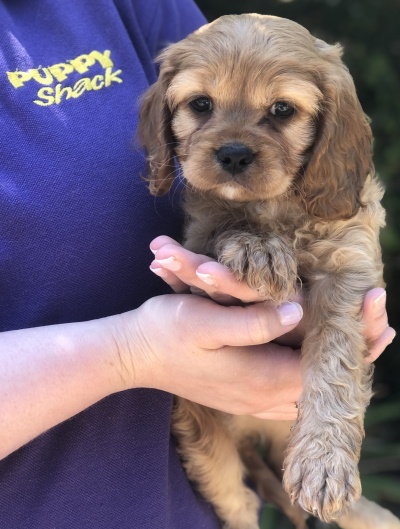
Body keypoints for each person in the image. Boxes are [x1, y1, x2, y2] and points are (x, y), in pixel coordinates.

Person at [0, 1, 395, 527]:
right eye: (202, 106)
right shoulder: (207, 196)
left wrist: (326, 407)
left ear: (331, 124)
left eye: (281, 111)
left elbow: (348, 285)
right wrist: (130, 353)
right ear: (162, 119)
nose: (233, 145)